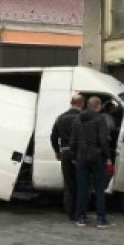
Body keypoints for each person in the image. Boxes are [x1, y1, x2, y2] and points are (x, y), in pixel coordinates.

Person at [70, 96, 112, 228]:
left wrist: (73, 155)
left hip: (81, 157)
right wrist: (108, 157)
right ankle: (100, 219)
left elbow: (73, 140)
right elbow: (103, 140)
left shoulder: (78, 119)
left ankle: (81, 217)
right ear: (98, 106)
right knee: (99, 188)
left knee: (82, 188)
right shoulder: (100, 119)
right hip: (97, 157)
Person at [50, 93, 84, 221]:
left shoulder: (60, 118)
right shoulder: (82, 118)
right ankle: (79, 212)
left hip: (65, 152)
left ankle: (70, 212)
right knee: (80, 182)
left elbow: (53, 136)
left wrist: (57, 151)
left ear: (71, 103)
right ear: (81, 104)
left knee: (69, 183)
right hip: (79, 153)